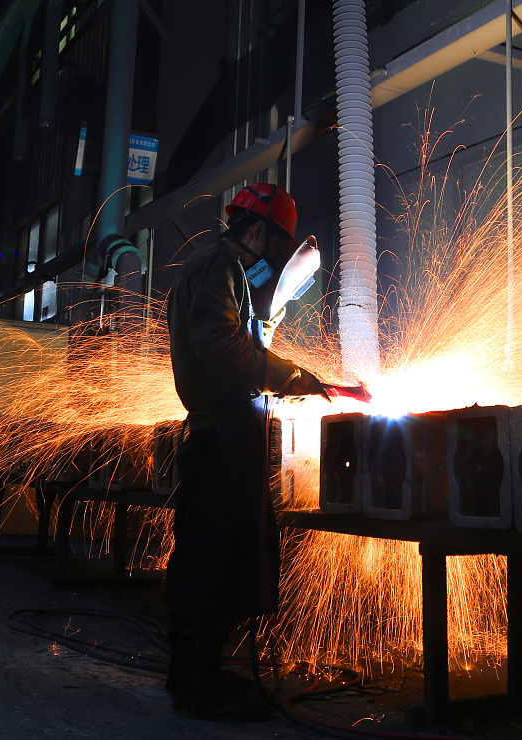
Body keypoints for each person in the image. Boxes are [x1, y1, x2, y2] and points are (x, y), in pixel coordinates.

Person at [165, 183, 328, 721]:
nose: (274, 263)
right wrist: (297, 376)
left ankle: (191, 672)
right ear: (257, 231)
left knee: (206, 551)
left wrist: (272, 320)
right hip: (221, 435)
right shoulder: (220, 265)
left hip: (225, 429)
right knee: (216, 552)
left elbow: (246, 330)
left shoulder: (231, 265)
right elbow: (222, 348)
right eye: (275, 248)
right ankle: (199, 686)